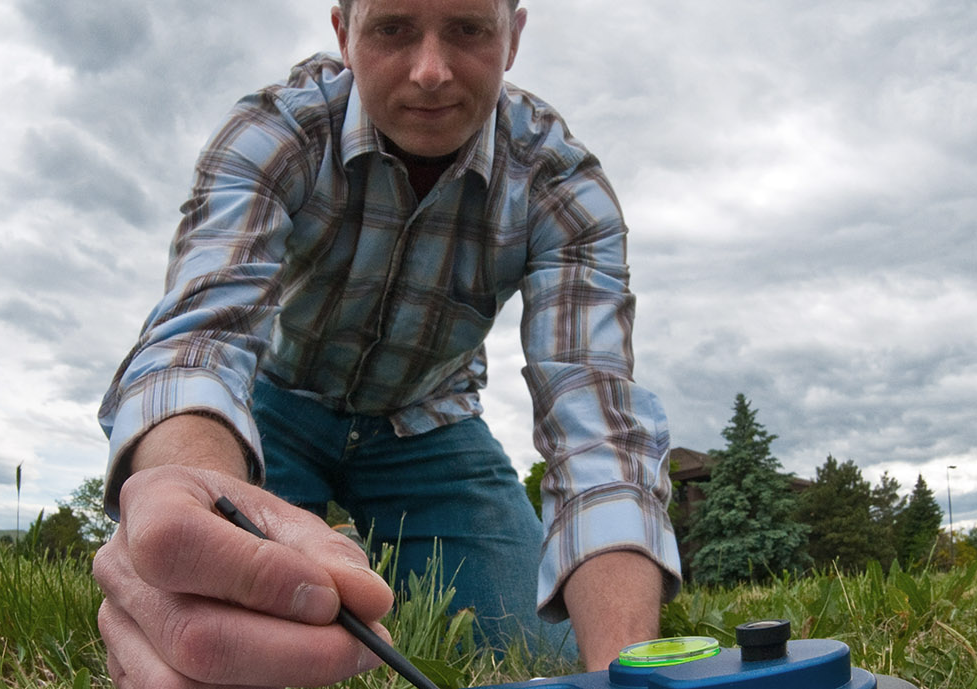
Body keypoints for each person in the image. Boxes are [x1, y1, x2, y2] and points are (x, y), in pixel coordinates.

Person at [93, 0, 680, 686]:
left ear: (512, 37)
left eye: (467, 30)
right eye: (393, 28)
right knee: (224, 618)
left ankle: (370, 554)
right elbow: (199, 339)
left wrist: (624, 675)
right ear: (344, 35)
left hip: (431, 424)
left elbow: (597, 431)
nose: (430, 72)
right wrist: (195, 511)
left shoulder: (563, 190)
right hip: (272, 408)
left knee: (536, 650)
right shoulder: (275, 131)